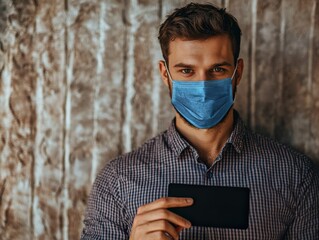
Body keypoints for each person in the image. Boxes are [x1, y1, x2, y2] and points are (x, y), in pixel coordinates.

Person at [81, 3, 319, 239]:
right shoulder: (118, 181)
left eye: (217, 69)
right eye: (186, 71)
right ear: (165, 74)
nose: (203, 86)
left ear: (238, 72)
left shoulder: (296, 176)